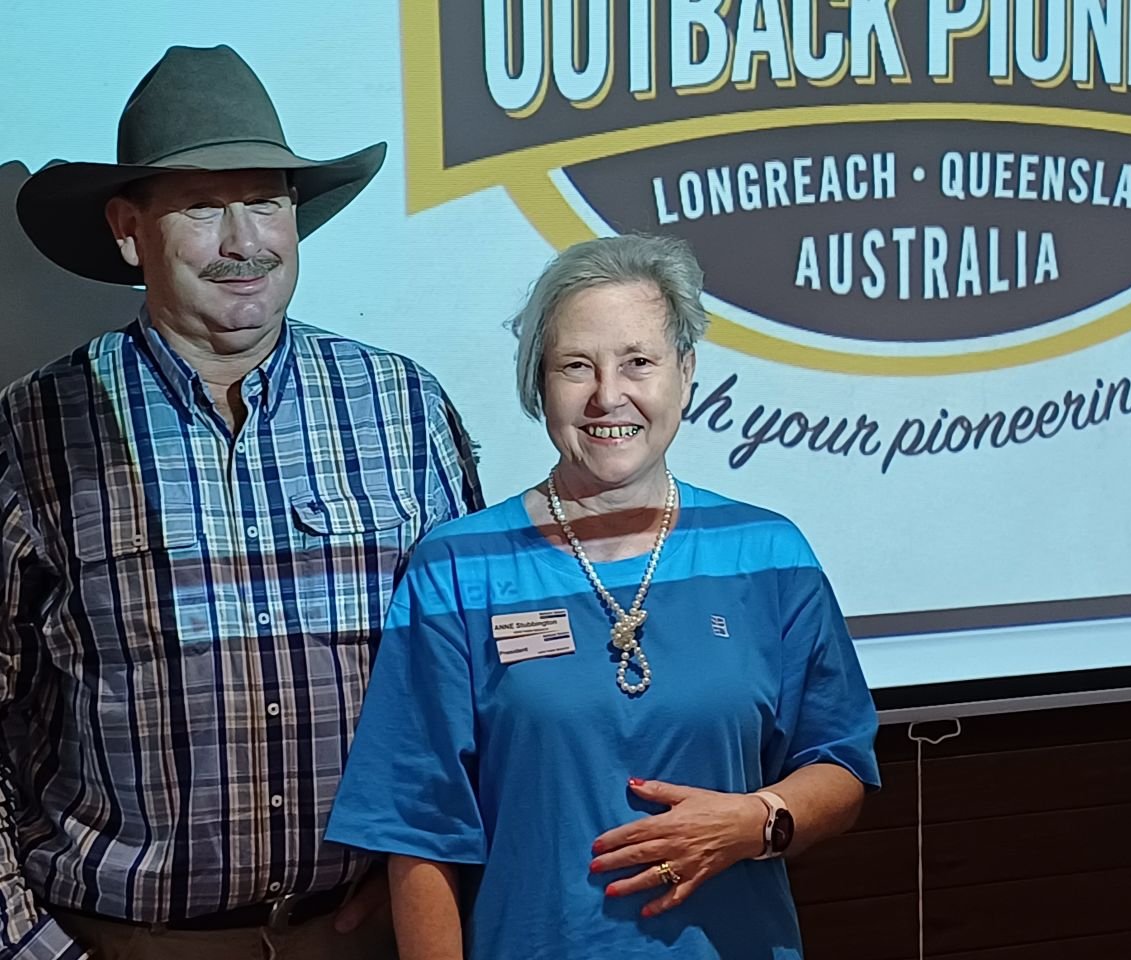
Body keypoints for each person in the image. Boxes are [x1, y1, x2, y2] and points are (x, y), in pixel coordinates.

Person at [0, 45, 483, 959]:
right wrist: (32, 949)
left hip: (367, 933)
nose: (243, 242)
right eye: (201, 206)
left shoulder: (402, 405)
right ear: (128, 229)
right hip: (132, 942)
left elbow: (469, 676)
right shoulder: (36, 429)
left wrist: (429, 885)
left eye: (265, 201)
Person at [325, 234, 880, 959]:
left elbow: (840, 764)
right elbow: (416, 824)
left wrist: (758, 821)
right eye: (575, 366)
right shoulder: (458, 567)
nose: (607, 395)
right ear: (538, 383)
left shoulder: (768, 551)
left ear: (686, 373)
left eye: (638, 362)